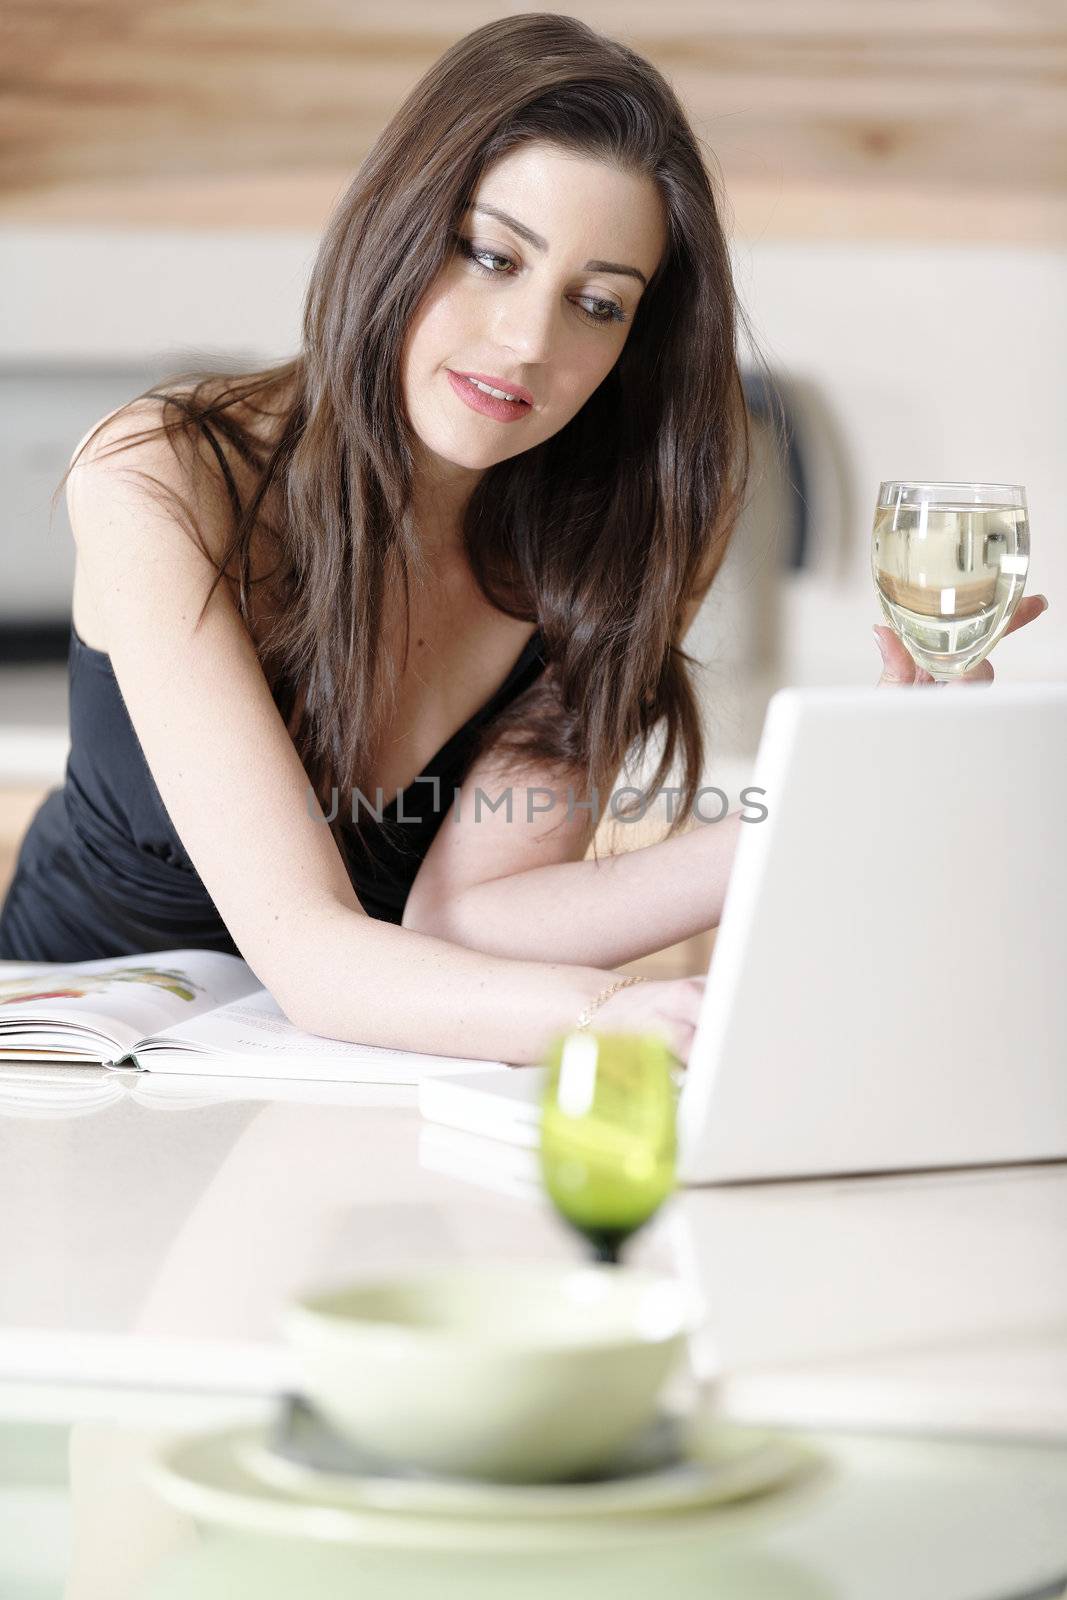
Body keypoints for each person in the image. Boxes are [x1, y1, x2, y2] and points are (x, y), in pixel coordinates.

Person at [0, 15, 1048, 1066]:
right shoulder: (163, 474)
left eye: (595, 304)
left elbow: (464, 926)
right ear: (396, 228)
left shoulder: (616, 533)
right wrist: (604, 1016)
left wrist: (831, 795)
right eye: (491, 256)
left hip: (344, 1080)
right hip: (75, 1074)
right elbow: (311, 954)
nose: (528, 342)